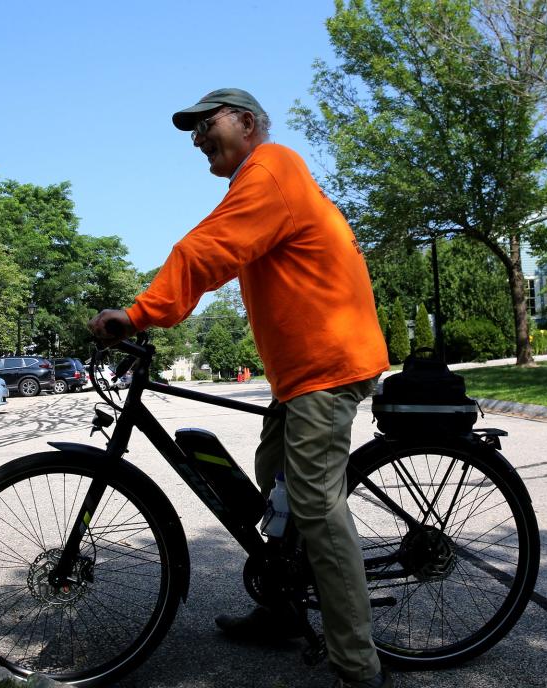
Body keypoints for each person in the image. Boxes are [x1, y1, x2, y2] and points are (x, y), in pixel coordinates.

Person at [88, 88, 391, 688]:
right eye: (191, 131)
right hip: (302, 372)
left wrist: (141, 312)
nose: (197, 138)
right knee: (273, 478)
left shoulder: (271, 169)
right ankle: (281, 610)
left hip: (327, 368)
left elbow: (207, 249)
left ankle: (358, 665)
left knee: (312, 503)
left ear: (247, 122)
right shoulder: (257, 183)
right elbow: (221, 242)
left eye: (206, 124)